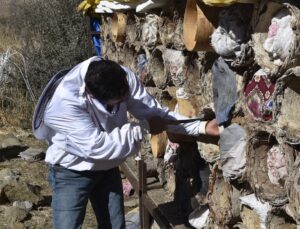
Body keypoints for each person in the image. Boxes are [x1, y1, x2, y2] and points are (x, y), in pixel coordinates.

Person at [32, 56, 219, 229]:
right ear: (92, 96)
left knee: (114, 226)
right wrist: (143, 128)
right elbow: (98, 147)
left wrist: (201, 127)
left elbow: (155, 113)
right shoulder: (64, 103)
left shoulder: (120, 77)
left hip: (107, 169)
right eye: (117, 103)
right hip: (71, 170)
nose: (123, 104)